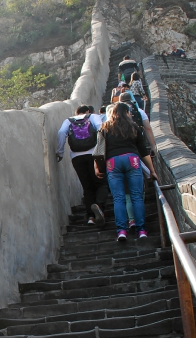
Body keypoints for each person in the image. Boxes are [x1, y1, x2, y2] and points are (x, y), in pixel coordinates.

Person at [94, 103, 158, 241]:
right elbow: (143, 151)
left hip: (112, 163)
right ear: (126, 113)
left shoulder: (104, 127)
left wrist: (97, 168)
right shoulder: (133, 127)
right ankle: (141, 231)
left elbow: (98, 151)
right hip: (132, 160)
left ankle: (122, 231)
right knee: (136, 196)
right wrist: (152, 171)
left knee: (118, 198)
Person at [56, 105, 109, 227]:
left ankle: (91, 217)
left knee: (87, 186)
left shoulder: (68, 120)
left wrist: (60, 152)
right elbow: (101, 128)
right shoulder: (93, 116)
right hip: (94, 154)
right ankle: (99, 206)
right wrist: (103, 148)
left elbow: (61, 133)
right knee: (101, 183)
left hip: (76, 157)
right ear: (87, 111)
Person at [119, 91, 156, 156]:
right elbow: (147, 128)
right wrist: (153, 146)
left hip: (121, 144)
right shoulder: (139, 111)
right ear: (131, 99)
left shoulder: (114, 114)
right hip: (137, 141)